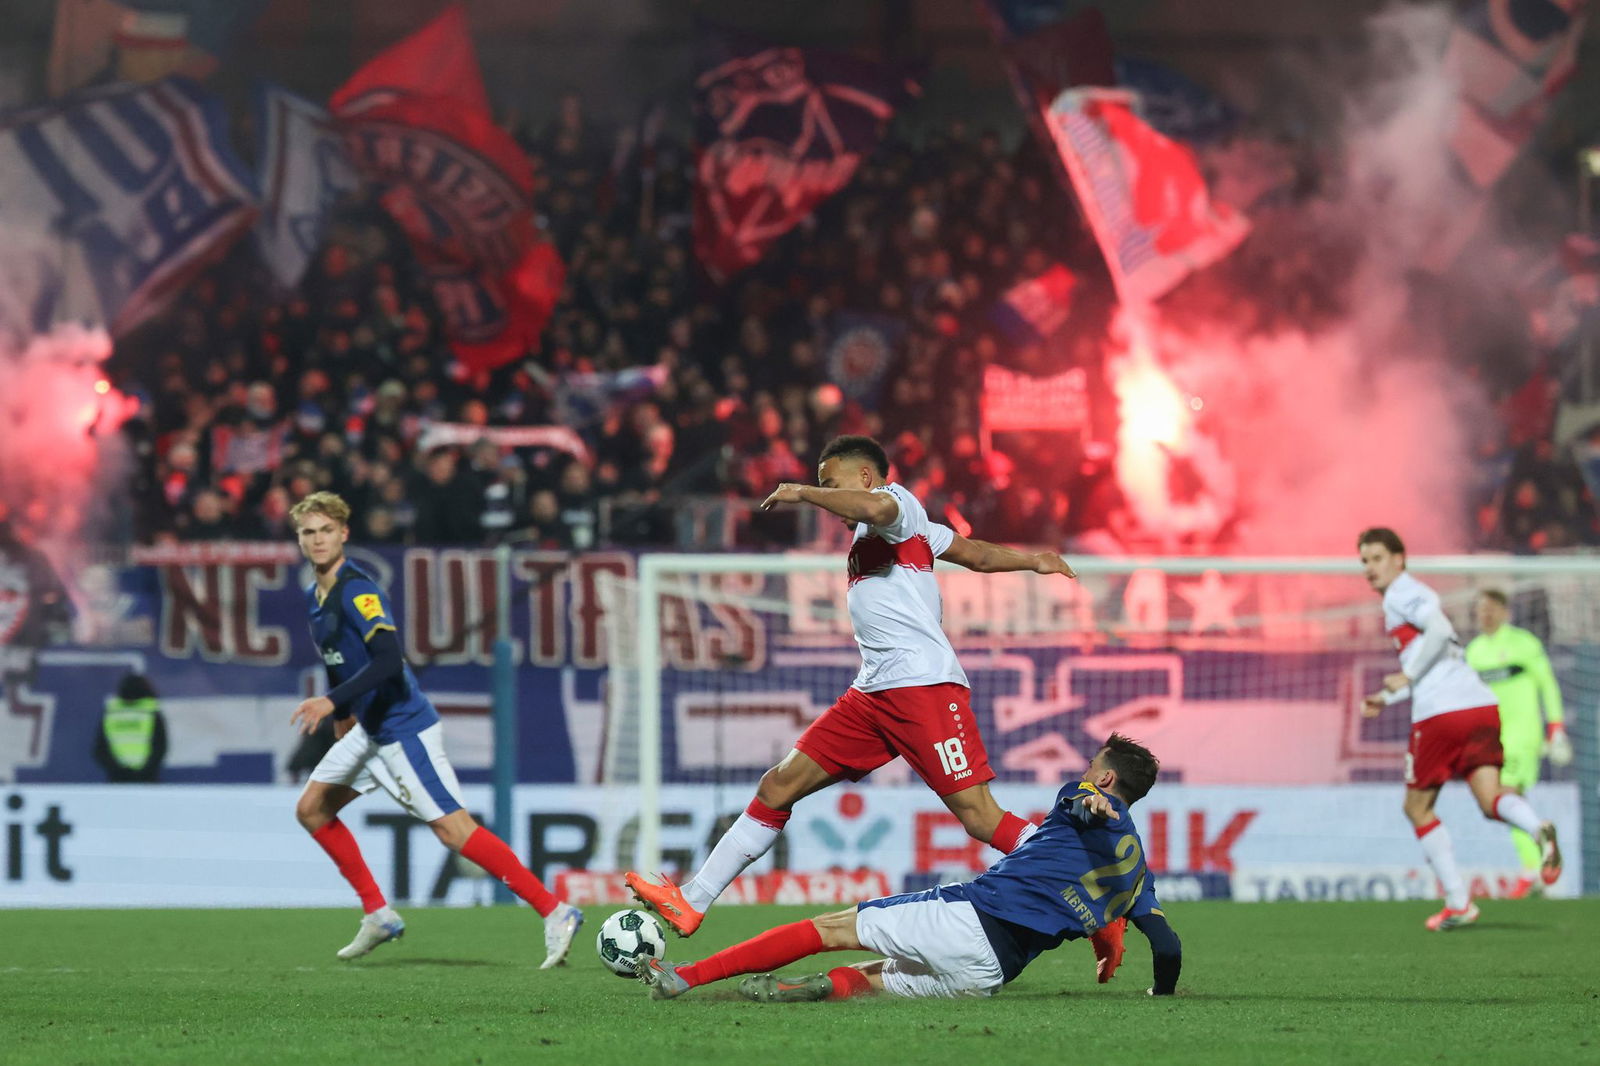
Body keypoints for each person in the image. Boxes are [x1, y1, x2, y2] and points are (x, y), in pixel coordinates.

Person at [627, 434, 1079, 939]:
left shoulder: (898, 505)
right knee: (778, 786)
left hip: (922, 687)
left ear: (865, 476)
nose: (827, 495)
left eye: (831, 481)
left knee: (979, 817)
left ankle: (1085, 891)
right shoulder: (911, 531)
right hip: (873, 693)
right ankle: (691, 901)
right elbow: (975, 553)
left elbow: (875, 505)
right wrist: (1034, 560)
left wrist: (803, 492)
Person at [638, 734, 1181, 1002]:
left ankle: (685, 978)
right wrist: (1159, 991)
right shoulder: (1139, 875)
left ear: (1107, 781)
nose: (1085, 773)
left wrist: (1091, 802)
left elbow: (1083, 804)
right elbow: (1168, 947)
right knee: (882, 977)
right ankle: (798, 991)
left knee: (830, 929)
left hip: (971, 920)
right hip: (991, 976)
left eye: (1093, 768)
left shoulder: (1085, 799)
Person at [287, 491, 583, 965]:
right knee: (312, 809)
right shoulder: (314, 595)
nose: (317, 540)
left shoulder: (357, 590)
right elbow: (338, 657)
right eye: (308, 532)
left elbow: (387, 659)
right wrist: (344, 712)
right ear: (299, 539)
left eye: (326, 530)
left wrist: (330, 701)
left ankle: (555, 910)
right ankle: (378, 914)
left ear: (344, 533)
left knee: (453, 831)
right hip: (368, 726)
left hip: (403, 726)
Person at [1357, 528, 1562, 929]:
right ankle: (1539, 829)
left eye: (1377, 558)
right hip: (1480, 707)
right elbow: (1440, 653)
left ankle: (1458, 902)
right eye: (1364, 561)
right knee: (1490, 799)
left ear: (1400, 559)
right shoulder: (1405, 597)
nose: (1369, 568)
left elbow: (1433, 631)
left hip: (1442, 712)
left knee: (1416, 807)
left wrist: (1405, 676)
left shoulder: (1404, 592)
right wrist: (1387, 697)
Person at [1465, 588, 1574, 897]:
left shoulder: (1524, 644)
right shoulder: (1474, 652)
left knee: (1505, 794)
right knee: (1501, 804)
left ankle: (1532, 866)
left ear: (1503, 611)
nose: (1484, 614)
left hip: (1522, 734)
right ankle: (1538, 856)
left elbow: (1547, 684)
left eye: (1490, 608)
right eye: (1480, 609)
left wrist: (1556, 727)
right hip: (1491, 738)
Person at [92, 673, 168, 783]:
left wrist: (117, 770)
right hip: (147, 779)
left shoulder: (111, 713)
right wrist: (145, 770)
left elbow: (100, 749)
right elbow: (160, 747)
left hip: (117, 779)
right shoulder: (151, 713)